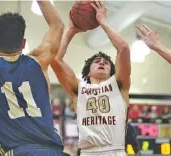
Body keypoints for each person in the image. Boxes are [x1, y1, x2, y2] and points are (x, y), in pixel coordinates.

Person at [0, 0, 65, 155]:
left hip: (18, 151)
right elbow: (58, 25)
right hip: (53, 151)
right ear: (23, 43)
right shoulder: (40, 61)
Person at [51, 1, 131, 156]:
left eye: (106, 63)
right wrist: (71, 31)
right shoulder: (79, 89)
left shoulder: (119, 85)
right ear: (87, 73)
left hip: (115, 151)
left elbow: (124, 48)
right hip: (89, 152)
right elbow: (55, 60)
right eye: (97, 61)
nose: (102, 62)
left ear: (111, 72)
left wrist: (102, 22)